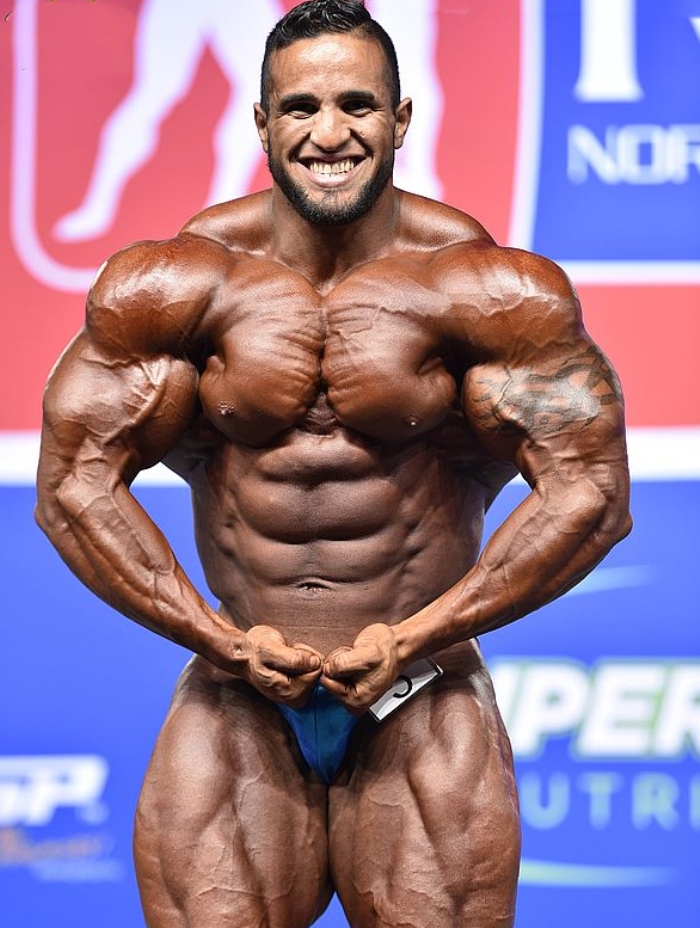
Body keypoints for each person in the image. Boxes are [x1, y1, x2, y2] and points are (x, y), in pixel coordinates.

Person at [35, 2, 632, 926]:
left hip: (421, 692)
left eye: (358, 104)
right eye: (301, 107)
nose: (329, 133)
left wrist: (420, 631)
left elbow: (591, 495)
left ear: (400, 120)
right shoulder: (173, 288)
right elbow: (74, 487)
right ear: (263, 124)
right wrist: (221, 641)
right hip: (237, 692)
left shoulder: (493, 293)